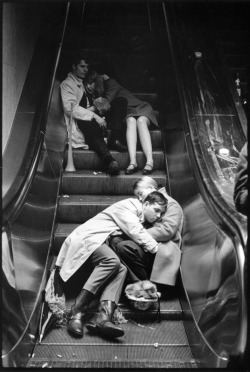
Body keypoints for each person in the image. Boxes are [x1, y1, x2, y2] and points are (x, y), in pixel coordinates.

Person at [54, 191, 168, 339]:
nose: (158, 216)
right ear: (145, 204)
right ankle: (76, 312)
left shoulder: (140, 215)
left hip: (100, 243)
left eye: (161, 213)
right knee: (112, 261)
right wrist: (160, 252)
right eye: (156, 210)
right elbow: (136, 232)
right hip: (89, 239)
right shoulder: (128, 206)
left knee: (121, 269)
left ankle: (103, 318)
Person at [109, 176, 183, 288]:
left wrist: (135, 235)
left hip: (163, 249)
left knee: (125, 246)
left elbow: (167, 230)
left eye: (140, 193)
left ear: (150, 188)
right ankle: (138, 284)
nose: (139, 198)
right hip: (152, 245)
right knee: (115, 240)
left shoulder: (170, 203)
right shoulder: (151, 202)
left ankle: (145, 287)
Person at [86, 70, 158, 175]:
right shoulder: (101, 89)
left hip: (141, 108)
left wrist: (80, 110)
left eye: (89, 83)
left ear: (96, 81)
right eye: (86, 84)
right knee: (131, 121)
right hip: (129, 112)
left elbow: (104, 103)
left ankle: (150, 161)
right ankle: (133, 162)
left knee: (141, 121)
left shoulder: (111, 83)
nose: (88, 87)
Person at [60, 55, 120, 175]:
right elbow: (71, 109)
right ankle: (109, 160)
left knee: (120, 102)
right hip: (81, 121)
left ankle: (115, 138)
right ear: (73, 66)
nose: (85, 70)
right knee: (90, 124)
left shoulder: (83, 82)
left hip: (91, 115)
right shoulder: (67, 84)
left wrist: (98, 106)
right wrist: (95, 116)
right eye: (82, 66)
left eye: (87, 67)